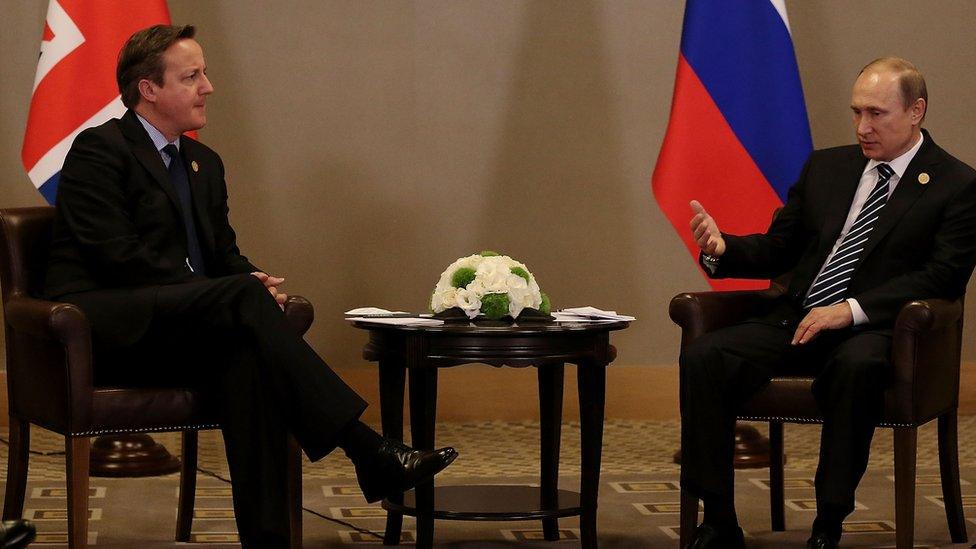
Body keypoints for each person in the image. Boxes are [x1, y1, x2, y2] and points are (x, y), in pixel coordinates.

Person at [43, 25, 457, 547]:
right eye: (191, 76)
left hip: (182, 326)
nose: (208, 86)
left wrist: (249, 279)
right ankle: (366, 449)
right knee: (241, 304)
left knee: (249, 358)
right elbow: (116, 255)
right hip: (106, 328)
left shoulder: (204, 164)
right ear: (148, 89)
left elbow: (222, 255)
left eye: (205, 73)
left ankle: (269, 538)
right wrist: (228, 290)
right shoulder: (100, 148)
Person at [680, 57, 976, 549]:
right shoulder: (829, 166)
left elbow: (942, 276)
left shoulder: (956, 185)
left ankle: (828, 521)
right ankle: (718, 520)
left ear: (916, 110)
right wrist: (724, 248)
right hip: (798, 319)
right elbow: (782, 247)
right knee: (705, 356)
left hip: (877, 332)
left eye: (877, 114)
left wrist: (852, 309)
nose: (863, 127)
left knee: (856, 368)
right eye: (857, 112)